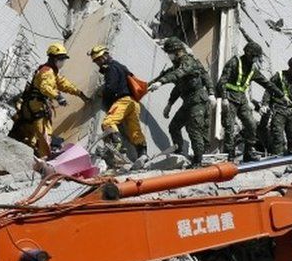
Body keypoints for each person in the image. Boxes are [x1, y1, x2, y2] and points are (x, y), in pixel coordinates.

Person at [12, 43, 89, 158]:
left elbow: (63, 84)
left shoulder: (52, 72)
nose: (62, 62)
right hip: (36, 105)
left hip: (33, 105)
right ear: (53, 58)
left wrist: (78, 93)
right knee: (44, 133)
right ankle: (46, 157)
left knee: (31, 132)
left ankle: (29, 154)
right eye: (60, 59)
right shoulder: (47, 72)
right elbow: (45, 87)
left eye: (63, 59)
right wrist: (58, 97)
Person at [149, 37, 214, 166]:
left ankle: (198, 161)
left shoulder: (188, 62)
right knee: (174, 127)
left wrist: (211, 93)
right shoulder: (177, 65)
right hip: (188, 102)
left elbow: (179, 74)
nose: (169, 56)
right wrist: (169, 104)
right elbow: (178, 87)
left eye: (169, 53)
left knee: (194, 130)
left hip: (198, 101)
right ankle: (179, 151)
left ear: (177, 51)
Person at [218, 42, 278, 161]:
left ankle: (248, 153)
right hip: (229, 99)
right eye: (255, 56)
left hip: (241, 99)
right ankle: (229, 156)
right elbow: (222, 82)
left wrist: (282, 96)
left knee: (251, 125)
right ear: (249, 54)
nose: (256, 59)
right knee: (229, 128)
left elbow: (266, 82)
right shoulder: (234, 63)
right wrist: (224, 98)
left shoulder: (252, 69)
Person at [90, 45, 147, 166]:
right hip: (133, 102)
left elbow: (111, 87)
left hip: (123, 101)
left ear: (106, 55)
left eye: (99, 59)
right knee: (134, 130)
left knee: (108, 122)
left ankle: (116, 147)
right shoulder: (121, 66)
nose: (98, 62)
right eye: (96, 61)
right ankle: (143, 154)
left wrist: (102, 93)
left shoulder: (111, 68)